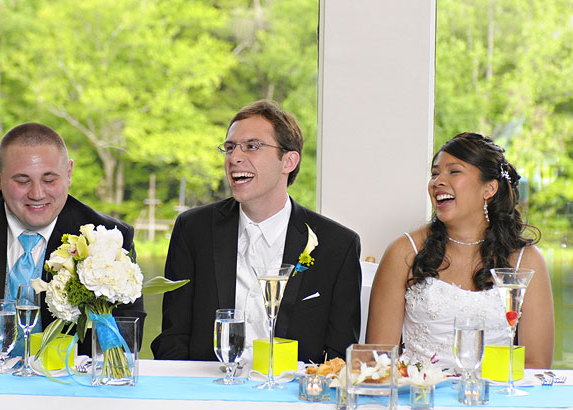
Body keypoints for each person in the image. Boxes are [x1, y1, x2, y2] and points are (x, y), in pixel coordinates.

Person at [151, 100, 361, 365]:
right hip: (208, 385)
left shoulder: (337, 245)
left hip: (292, 388)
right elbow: (173, 338)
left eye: (252, 146)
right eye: (229, 148)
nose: (234, 158)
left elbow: (339, 355)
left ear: (288, 161)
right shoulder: (193, 229)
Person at [0, 122, 145, 354]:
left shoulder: (107, 238)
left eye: (49, 180)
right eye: (22, 181)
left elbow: (125, 339)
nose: (37, 194)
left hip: (66, 375)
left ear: (69, 173)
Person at [366, 132, 554, 369]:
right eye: (435, 174)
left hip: (494, 392)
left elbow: (536, 364)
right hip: (418, 391)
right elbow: (378, 360)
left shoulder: (525, 261)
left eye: (454, 171)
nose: (438, 182)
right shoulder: (404, 252)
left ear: (489, 188)